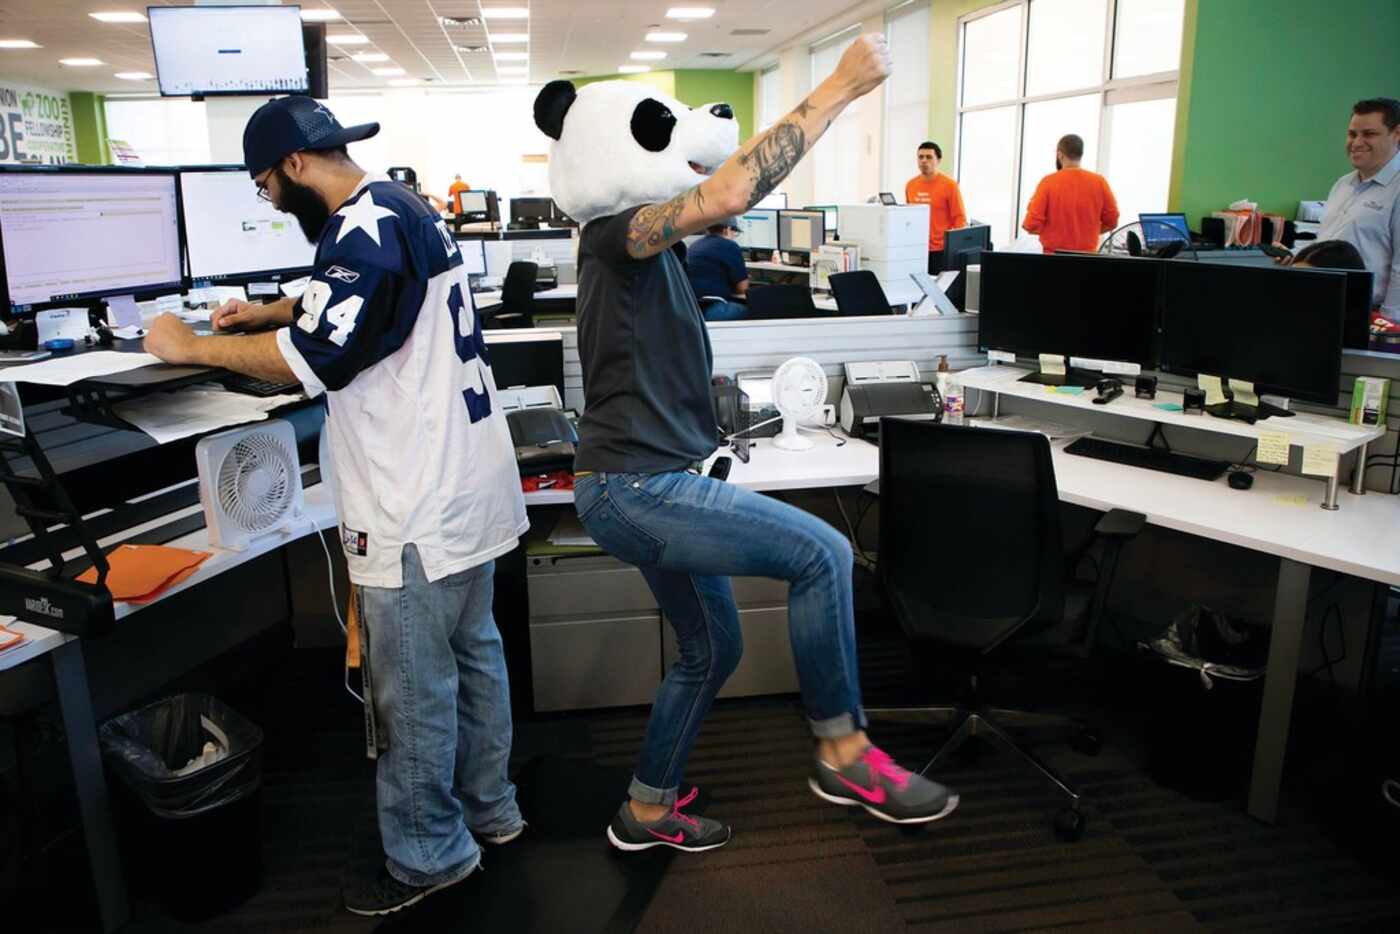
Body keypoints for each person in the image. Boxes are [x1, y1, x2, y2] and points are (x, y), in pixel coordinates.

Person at [532, 34, 959, 856]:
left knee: (713, 647)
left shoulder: (650, 256)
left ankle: (646, 810)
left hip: (646, 481)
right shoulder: (616, 235)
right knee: (825, 555)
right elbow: (729, 193)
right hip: (638, 489)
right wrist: (837, 88)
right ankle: (845, 751)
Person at [142, 96, 528, 916]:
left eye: (264, 189)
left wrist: (192, 345)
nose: (271, 205)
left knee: (415, 693)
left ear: (292, 168)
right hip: (468, 489)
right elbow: (360, 302)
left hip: (416, 501)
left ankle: (429, 858)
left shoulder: (360, 230)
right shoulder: (397, 208)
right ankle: (491, 812)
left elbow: (310, 359)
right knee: (471, 661)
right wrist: (273, 305)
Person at [1315, 98, 1400, 334]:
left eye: (1369, 134)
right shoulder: (1343, 184)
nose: (1356, 143)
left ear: (1396, 134)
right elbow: (1328, 242)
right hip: (1325, 306)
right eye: (1352, 134)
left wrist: (1388, 328)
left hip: (1371, 316)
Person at [1021, 134, 1119, 254]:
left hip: (1053, 258)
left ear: (1059, 154)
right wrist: (1088, 231)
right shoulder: (1099, 182)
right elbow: (1112, 221)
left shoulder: (1048, 182)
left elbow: (1030, 225)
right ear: (1080, 154)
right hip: (1087, 259)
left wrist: (1052, 231)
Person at [904, 141, 966, 273]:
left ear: (938, 160)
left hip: (941, 250)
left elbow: (960, 218)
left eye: (929, 157)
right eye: (920, 157)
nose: (924, 161)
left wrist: (954, 248)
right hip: (917, 248)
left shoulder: (950, 185)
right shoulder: (910, 185)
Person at [686, 217, 750, 321]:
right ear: (727, 230)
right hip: (712, 309)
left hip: (692, 310)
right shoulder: (730, 246)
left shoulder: (695, 245)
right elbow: (742, 289)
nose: (734, 236)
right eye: (735, 232)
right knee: (758, 310)